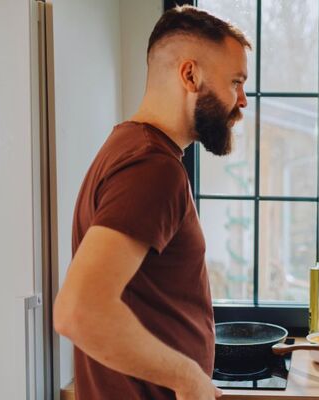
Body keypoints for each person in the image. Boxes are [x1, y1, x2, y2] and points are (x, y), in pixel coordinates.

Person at [53, 6, 250, 400]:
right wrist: (187, 377)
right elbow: (78, 311)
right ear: (190, 75)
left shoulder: (128, 148)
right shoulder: (152, 169)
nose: (242, 100)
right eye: (235, 82)